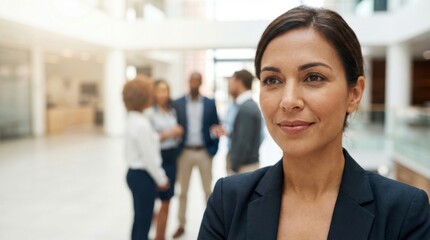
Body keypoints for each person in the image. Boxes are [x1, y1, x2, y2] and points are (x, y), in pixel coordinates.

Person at [198, 6, 430, 240]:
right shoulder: (227, 201)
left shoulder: (404, 212)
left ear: (354, 93)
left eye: (313, 77)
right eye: (272, 80)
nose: (288, 101)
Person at [172, 71, 222, 238]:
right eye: (191, 81)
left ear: (201, 83)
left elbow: (217, 126)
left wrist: (213, 149)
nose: (194, 84)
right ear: (188, 82)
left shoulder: (209, 103)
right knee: (182, 191)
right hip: (184, 151)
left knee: (208, 190)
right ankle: (181, 224)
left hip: (204, 152)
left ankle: (212, 226)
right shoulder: (177, 103)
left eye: (197, 81)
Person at [123, 75, 169, 240]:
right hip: (143, 176)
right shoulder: (142, 124)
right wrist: (161, 179)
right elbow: (150, 158)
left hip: (133, 174)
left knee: (139, 219)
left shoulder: (133, 119)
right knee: (144, 222)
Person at [146, 80, 183, 240]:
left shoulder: (172, 111)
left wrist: (178, 133)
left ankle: (160, 236)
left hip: (171, 157)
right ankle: (153, 230)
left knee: (166, 201)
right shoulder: (149, 113)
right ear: (154, 92)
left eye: (165, 90)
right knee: (151, 201)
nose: (163, 94)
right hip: (155, 158)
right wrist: (169, 133)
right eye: (159, 90)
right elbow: (148, 139)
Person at [226, 69, 262, 174]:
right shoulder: (246, 106)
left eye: (231, 82)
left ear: (239, 82)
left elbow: (243, 143)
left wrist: (234, 167)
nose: (229, 86)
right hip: (245, 166)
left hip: (244, 167)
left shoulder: (246, 108)